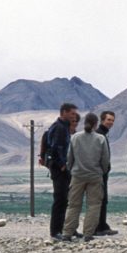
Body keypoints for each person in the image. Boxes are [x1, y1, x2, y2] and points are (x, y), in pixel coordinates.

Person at [62, 113, 110, 241]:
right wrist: (102, 171)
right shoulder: (100, 139)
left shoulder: (75, 137)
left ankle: (67, 232)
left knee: (73, 205)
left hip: (77, 175)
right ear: (96, 124)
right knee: (94, 205)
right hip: (95, 175)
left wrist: (71, 170)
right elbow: (105, 159)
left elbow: (69, 157)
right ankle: (88, 234)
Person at [46, 102, 78, 240]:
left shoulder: (63, 127)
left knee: (66, 200)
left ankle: (68, 228)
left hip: (64, 168)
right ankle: (55, 231)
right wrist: (62, 164)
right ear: (64, 112)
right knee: (60, 199)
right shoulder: (59, 128)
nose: (74, 116)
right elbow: (56, 148)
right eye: (72, 113)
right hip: (60, 169)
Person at [94, 110, 118, 236]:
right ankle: (99, 227)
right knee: (100, 199)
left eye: (112, 120)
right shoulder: (99, 134)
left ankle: (102, 225)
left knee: (103, 199)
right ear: (102, 120)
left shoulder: (103, 134)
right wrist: (104, 169)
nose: (111, 122)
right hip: (99, 173)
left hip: (102, 172)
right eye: (109, 120)